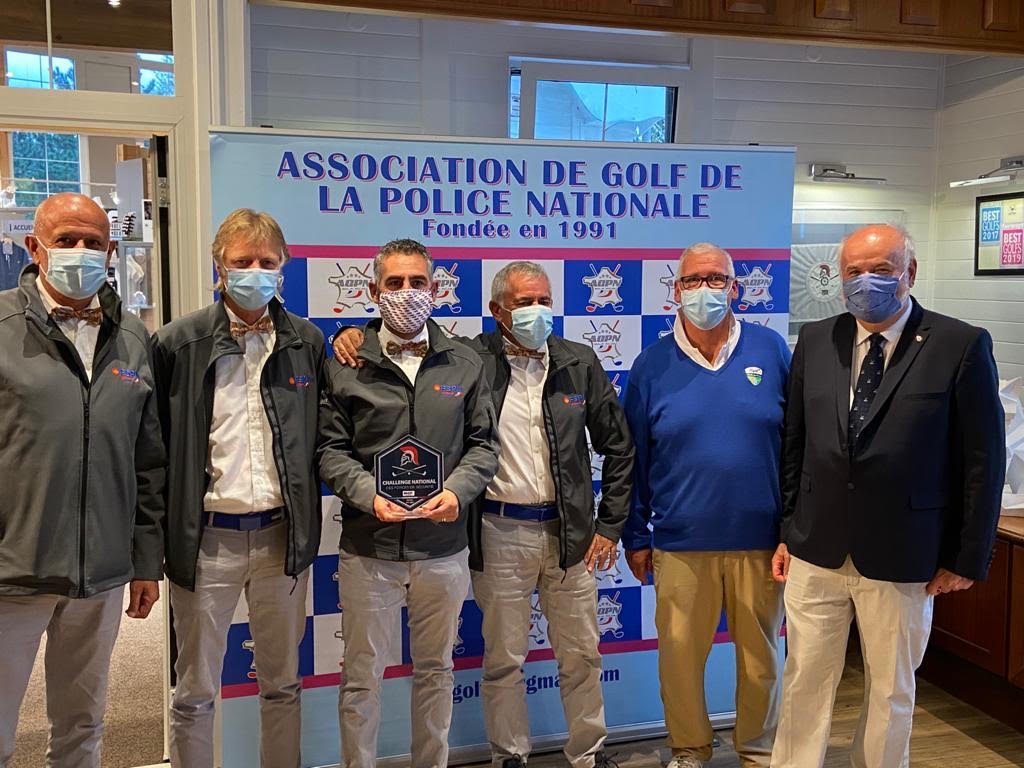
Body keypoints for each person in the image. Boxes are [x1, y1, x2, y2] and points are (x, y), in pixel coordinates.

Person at [334, 260, 634, 768]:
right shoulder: (468, 358)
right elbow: (407, 342)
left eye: (543, 301)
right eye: (523, 303)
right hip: (497, 531)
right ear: (497, 310)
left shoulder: (580, 362)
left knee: (582, 654)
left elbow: (619, 447)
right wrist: (352, 334)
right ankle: (509, 755)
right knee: (503, 659)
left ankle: (590, 752)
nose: (536, 311)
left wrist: (609, 525)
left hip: (571, 535)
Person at [770, 224, 1005, 768]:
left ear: (910, 272)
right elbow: (794, 442)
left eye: (880, 270)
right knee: (804, 679)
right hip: (816, 547)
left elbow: (982, 460)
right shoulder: (817, 339)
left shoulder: (960, 344)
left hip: (905, 554)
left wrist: (967, 556)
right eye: (853, 271)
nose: (865, 282)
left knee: (891, 687)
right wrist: (786, 529)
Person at [153, 208, 326, 768]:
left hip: (282, 539)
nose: (255, 271)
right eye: (242, 260)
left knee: (282, 683)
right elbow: (154, 449)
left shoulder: (307, 341)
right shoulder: (177, 343)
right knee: (195, 690)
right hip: (206, 541)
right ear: (219, 266)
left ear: (284, 266)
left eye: (266, 261)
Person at [318, 238, 499, 768]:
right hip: (369, 548)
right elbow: (330, 451)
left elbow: (484, 445)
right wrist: (368, 495)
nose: (407, 292)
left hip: (443, 549)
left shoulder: (464, 361)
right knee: (361, 678)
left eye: (417, 282)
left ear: (435, 289)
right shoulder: (345, 364)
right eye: (394, 283)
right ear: (374, 291)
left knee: (436, 672)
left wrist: (457, 492)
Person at [0, 192, 165, 767]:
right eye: (65, 240)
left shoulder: (134, 338)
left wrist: (145, 560)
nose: (80, 251)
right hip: (11, 572)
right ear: (34, 247)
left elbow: (149, 461)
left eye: (93, 242)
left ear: (111, 251)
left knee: (83, 724)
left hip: (101, 574)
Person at [622, 243, 791, 768]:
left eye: (716, 279)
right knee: (678, 659)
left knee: (762, 660)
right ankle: (690, 749)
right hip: (680, 541)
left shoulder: (771, 350)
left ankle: (758, 751)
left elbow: (797, 449)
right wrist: (636, 536)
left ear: (735, 288)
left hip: (761, 542)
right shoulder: (650, 365)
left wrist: (792, 531)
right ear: (676, 290)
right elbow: (633, 460)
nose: (704, 289)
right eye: (693, 280)